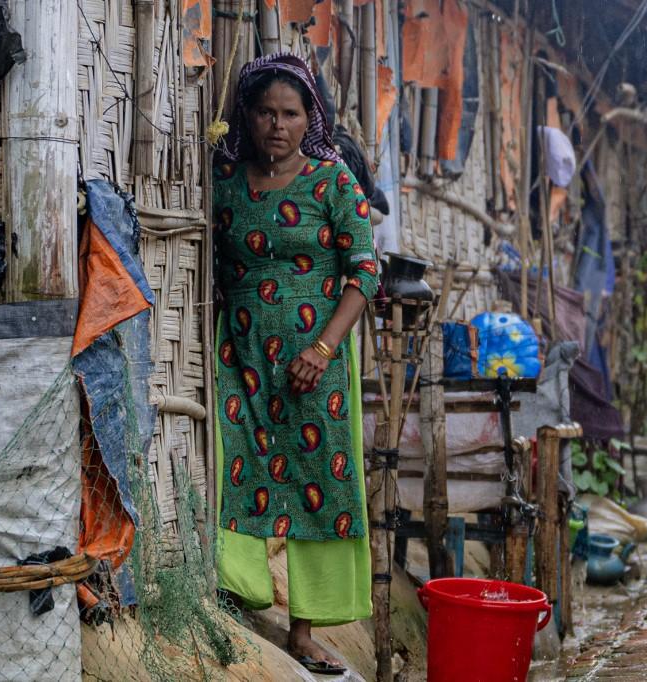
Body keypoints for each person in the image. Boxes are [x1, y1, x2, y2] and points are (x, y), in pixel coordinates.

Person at [212, 52, 378, 676]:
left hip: (318, 364)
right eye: (265, 113)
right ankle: (239, 598)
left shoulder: (334, 185)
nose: (276, 125)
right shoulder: (225, 185)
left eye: (289, 113)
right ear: (248, 117)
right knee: (240, 468)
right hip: (243, 357)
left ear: (309, 118)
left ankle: (303, 631)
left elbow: (365, 273)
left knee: (318, 485)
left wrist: (323, 347)